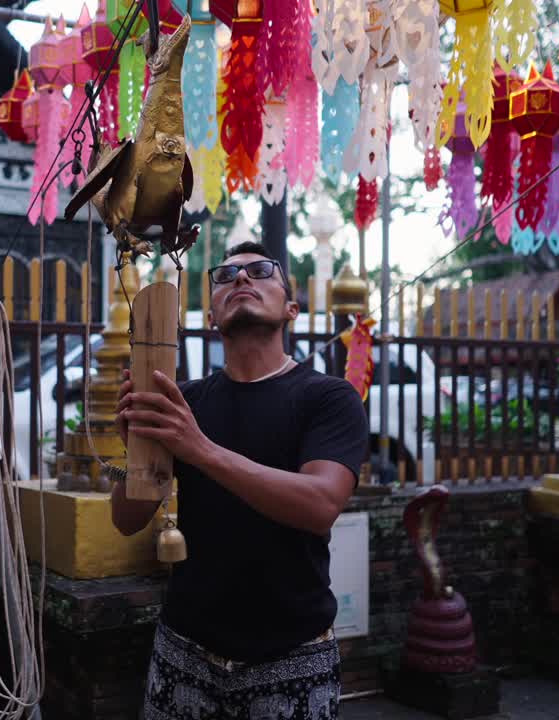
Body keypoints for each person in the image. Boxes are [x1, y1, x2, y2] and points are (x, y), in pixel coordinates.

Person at [111, 241, 369, 720]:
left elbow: (319, 505)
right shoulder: (185, 402)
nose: (241, 280)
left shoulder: (329, 399)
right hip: (183, 649)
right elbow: (127, 520)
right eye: (226, 277)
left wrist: (198, 448)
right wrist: (139, 453)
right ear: (211, 316)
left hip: (292, 655)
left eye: (260, 271)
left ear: (291, 308)